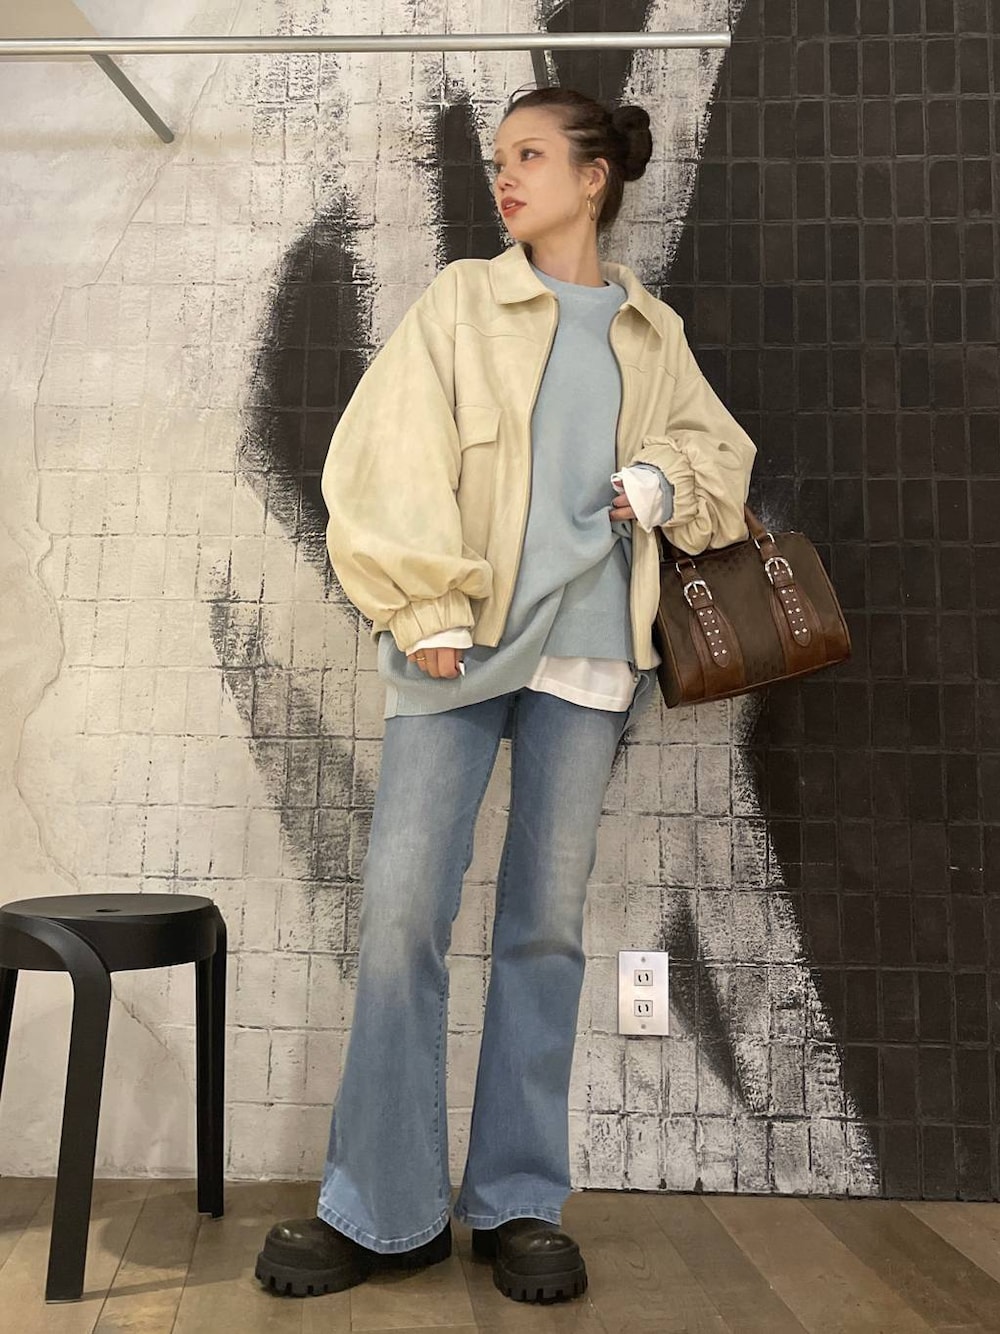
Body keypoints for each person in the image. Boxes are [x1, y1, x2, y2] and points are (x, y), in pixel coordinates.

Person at [255, 85, 757, 1305]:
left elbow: (721, 458)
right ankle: (381, 1206)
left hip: (589, 661)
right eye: (498, 158)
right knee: (400, 918)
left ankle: (519, 1201)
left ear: (594, 177)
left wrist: (659, 477)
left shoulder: (650, 332)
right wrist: (422, 603)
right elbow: (383, 451)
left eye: (530, 155)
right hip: (456, 646)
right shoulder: (461, 303)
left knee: (543, 928)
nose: (505, 177)